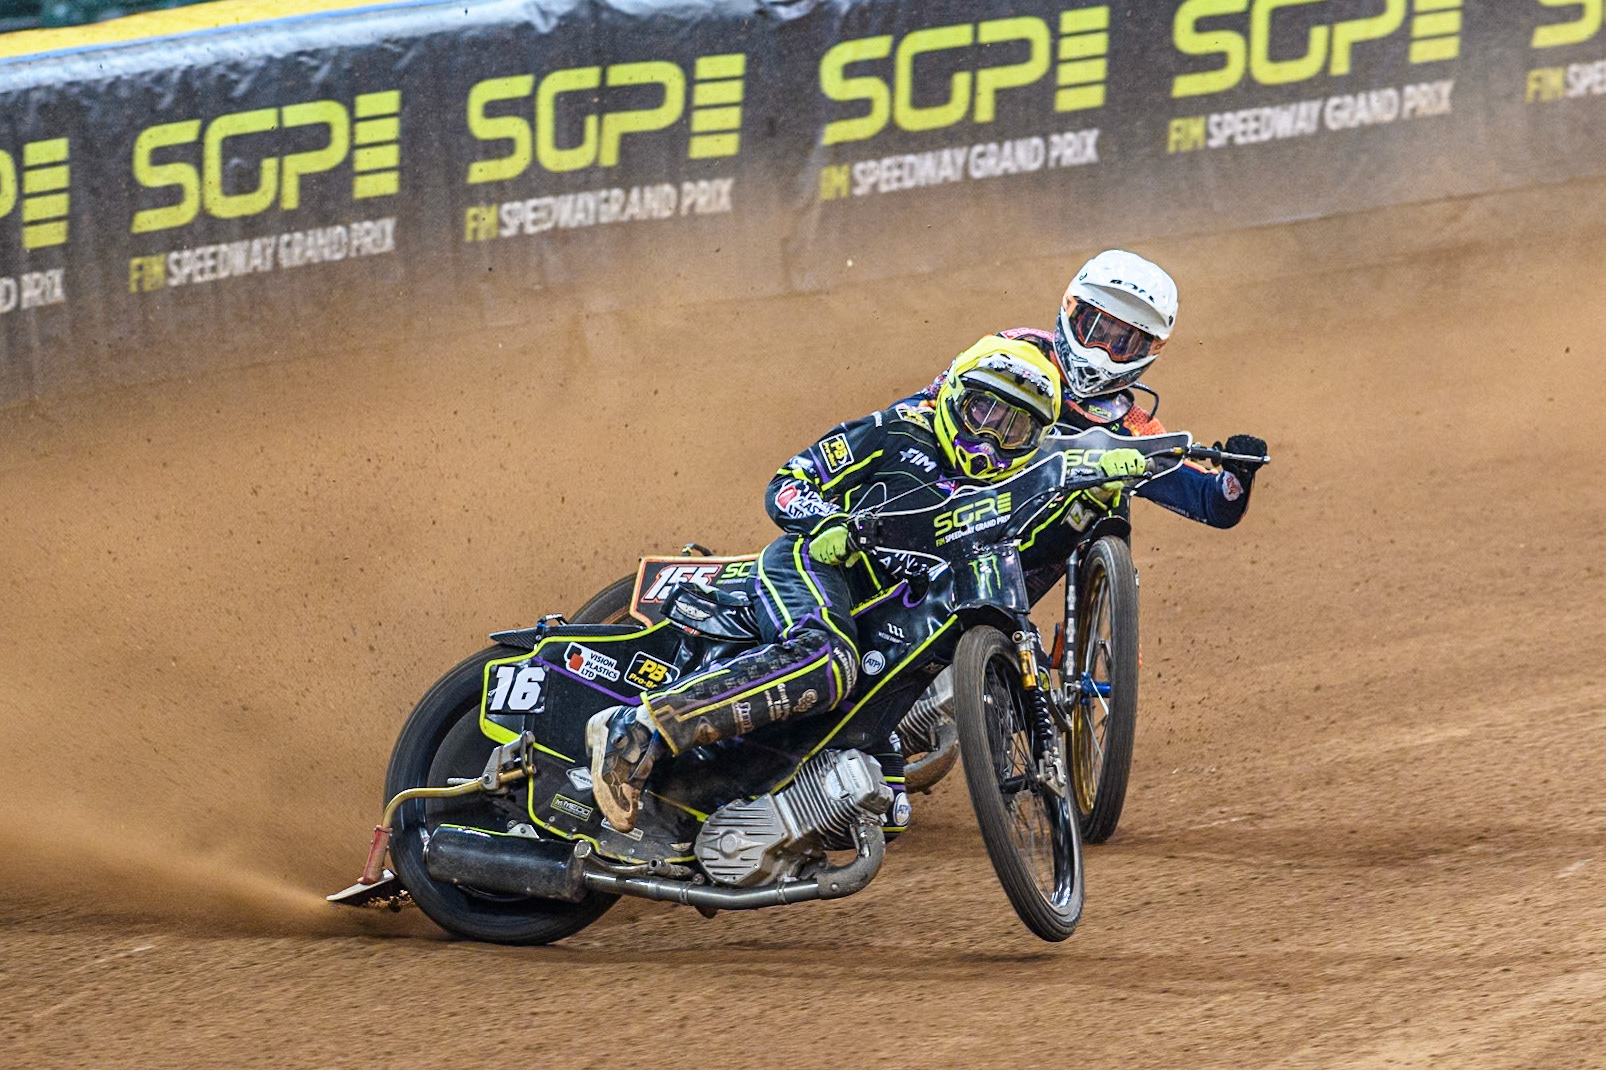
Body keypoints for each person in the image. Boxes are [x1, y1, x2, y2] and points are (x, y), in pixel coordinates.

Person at [585, 336, 1136, 833]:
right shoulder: (894, 431)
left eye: (1013, 429)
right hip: (814, 567)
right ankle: (641, 730)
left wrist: (1091, 500)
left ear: (1034, 440)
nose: (990, 438)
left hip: (880, 626)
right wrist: (826, 522)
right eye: (982, 412)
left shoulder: (1006, 492)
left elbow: (1032, 552)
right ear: (953, 399)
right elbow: (787, 482)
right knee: (825, 660)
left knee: (881, 806)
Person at [909, 249, 1266, 549]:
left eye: (1123, 342)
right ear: (1071, 311)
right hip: (947, 506)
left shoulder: (1131, 425)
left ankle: (1090, 617)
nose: (1102, 352)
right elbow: (921, 407)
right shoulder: (1015, 352)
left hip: (1034, 549)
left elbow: (1213, 502)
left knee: (1112, 493)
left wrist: (1240, 472)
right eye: (1095, 329)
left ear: (1151, 349)